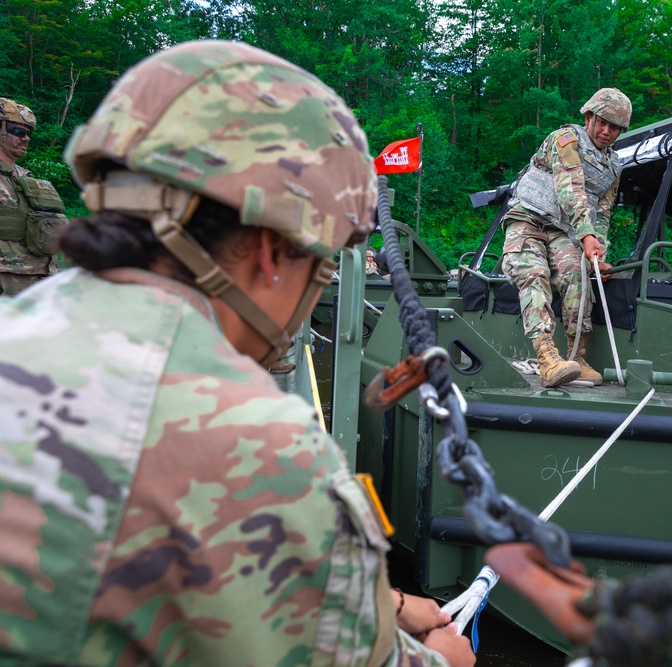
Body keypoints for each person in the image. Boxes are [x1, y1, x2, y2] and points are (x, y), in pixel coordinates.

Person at [0, 41, 474, 667]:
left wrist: (374, 599)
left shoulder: (23, 328)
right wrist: (442, 656)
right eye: (322, 267)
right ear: (273, 252)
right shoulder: (253, 441)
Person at [501, 87, 631, 388]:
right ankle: (547, 358)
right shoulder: (566, 141)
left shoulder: (613, 167)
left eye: (614, 127)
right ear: (588, 117)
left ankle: (577, 356)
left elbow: (603, 209)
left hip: (562, 230)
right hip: (528, 220)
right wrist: (586, 236)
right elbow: (569, 188)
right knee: (534, 275)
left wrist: (596, 252)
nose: (606, 131)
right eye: (602, 123)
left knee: (578, 277)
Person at [0, 97, 68, 296]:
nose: (26, 138)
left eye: (28, 133)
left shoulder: (26, 177)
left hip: (39, 279)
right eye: (19, 131)